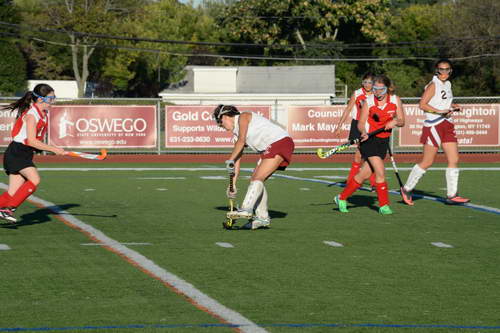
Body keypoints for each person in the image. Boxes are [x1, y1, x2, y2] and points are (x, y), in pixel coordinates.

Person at [213, 105, 295, 230]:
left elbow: (241, 141)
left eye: (220, 123)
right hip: (269, 147)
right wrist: (232, 185)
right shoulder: (236, 135)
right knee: (255, 179)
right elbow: (236, 162)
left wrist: (230, 159)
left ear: (224, 116)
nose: (221, 126)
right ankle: (262, 218)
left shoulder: (243, 116)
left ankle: (246, 209)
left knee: (258, 178)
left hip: (279, 142)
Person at [400, 59, 470, 206]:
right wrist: (439, 112)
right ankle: (406, 189)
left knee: (454, 159)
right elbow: (422, 105)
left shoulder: (448, 84)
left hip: (447, 124)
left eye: (447, 70)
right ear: (436, 70)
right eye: (441, 70)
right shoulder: (433, 85)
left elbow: (443, 102)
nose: (444, 72)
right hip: (434, 125)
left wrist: (452, 106)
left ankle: (452, 195)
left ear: (450, 71)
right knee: (427, 161)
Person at [334, 75, 405, 215]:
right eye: (375, 89)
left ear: (388, 88)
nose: (377, 92)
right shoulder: (369, 101)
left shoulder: (396, 100)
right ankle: (384, 205)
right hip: (369, 140)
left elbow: (402, 121)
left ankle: (341, 198)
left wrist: (395, 122)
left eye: (381, 89)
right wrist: (364, 132)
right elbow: (360, 123)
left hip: (383, 140)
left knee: (364, 174)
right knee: (380, 171)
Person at [0, 84, 66, 223]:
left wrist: (53, 147)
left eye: (54, 98)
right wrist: (52, 149)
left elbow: (35, 141)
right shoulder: (32, 115)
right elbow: (31, 140)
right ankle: (8, 209)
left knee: (13, 193)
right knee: (35, 179)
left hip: (24, 153)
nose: (53, 101)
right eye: (50, 98)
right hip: (17, 152)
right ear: (41, 99)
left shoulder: (44, 114)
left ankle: (6, 207)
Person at [333, 72, 377, 188]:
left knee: (369, 154)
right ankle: (350, 182)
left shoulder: (376, 94)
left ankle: (373, 183)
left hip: (371, 126)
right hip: (358, 124)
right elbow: (348, 109)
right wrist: (339, 126)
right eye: (365, 82)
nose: (367, 84)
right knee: (359, 155)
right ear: (362, 82)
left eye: (370, 82)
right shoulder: (357, 93)